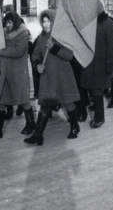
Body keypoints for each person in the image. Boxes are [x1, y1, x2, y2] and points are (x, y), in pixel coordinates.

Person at [25, 9, 82, 145]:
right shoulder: (41, 38)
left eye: (48, 21)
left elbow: (69, 55)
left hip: (63, 76)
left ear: (54, 21)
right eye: (44, 21)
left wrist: (55, 48)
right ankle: (38, 134)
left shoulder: (62, 36)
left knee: (68, 102)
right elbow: (35, 54)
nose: (46, 24)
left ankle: (75, 126)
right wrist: (37, 64)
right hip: (48, 77)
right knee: (45, 104)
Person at [0, 11, 34, 139]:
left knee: (23, 100)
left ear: (15, 22)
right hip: (4, 73)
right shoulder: (3, 35)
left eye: (10, 22)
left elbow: (18, 51)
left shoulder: (23, 34)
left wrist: (1, 51)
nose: (8, 25)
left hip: (17, 73)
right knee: (1, 100)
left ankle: (31, 124)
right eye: (6, 22)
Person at [78, 5, 113, 128]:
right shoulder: (88, 22)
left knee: (97, 90)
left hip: (100, 63)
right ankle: (91, 111)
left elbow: (110, 46)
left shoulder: (108, 23)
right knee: (89, 88)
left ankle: (99, 118)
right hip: (88, 61)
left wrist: (109, 64)